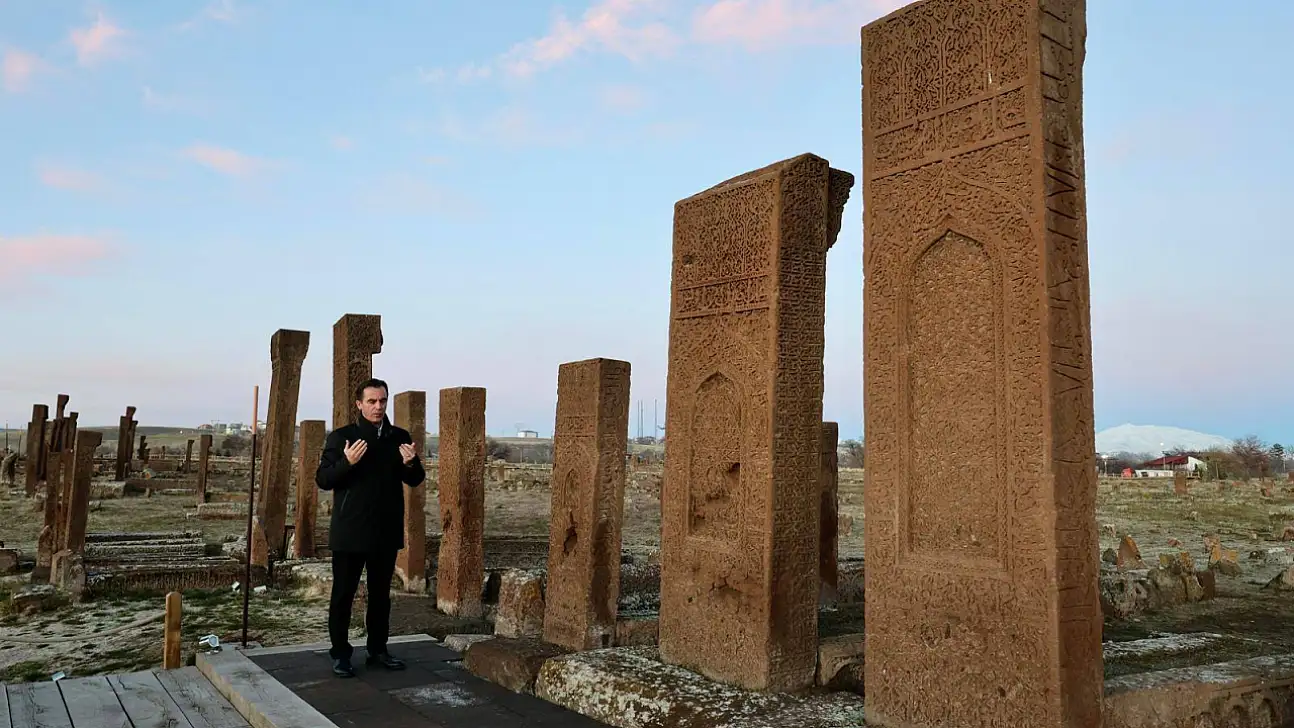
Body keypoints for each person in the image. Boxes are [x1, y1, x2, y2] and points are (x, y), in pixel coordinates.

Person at [315, 377, 425, 677]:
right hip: (350, 530)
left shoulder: (398, 436)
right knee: (343, 595)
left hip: (384, 530)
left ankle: (378, 650)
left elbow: (415, 480)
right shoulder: (341, 437)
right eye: (372, 401)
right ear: (359, 404)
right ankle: (340, 654)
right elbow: (324, 479)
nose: (378, 407)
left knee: (380, 597)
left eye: (383, 401)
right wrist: (347, 462)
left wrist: (411, 462)